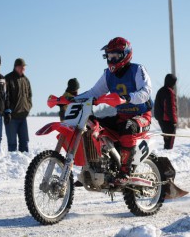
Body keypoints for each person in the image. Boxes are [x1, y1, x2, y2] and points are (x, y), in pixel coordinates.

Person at [75, 37, 153, 185]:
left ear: (125, 54)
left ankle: (125, 171)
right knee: (92, 123)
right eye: (109, 56)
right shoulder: (108, 75)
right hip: (121, 116)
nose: (112, 59)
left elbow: (146, 91)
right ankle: (93, 167)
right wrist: (71, 99)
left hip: (142, 116)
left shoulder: (137, 69)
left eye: (115, 56)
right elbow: (93, 92)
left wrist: (127, 98)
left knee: (128, 127)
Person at [4, 58, 32, 152]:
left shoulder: (26, 80)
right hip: (11, 116)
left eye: (24, 67)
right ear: (16, 67)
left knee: (24, 142)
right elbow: (4, 96)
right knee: (12, 143)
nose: (22, 69)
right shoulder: (8, 78)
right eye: (20, 67)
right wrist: (7, 110)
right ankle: (12, 163)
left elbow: (29, 95)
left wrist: (28, 107)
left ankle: (24, 163)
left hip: (23, 115)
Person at [154, 73, 178, 149]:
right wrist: (174, 121)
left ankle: (166, 150)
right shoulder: (169, 92)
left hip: (161, 119)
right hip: (168, 120)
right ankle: (168, 152)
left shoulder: (160, 90)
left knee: (166, 138)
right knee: (170, 139)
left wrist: (158, 117)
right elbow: (171, 108)